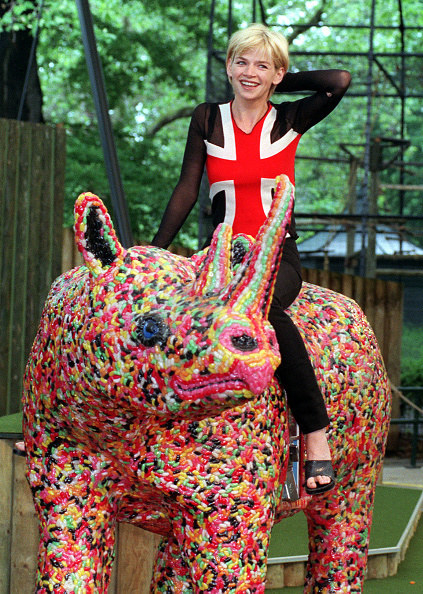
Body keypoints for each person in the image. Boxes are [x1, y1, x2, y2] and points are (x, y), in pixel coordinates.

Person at [155, 24, 351, 494]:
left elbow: (339, 80)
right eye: (241, 62)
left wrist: (278, 78)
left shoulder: (290, 120)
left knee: (261, 311)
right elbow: (187, 186)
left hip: (277, 256)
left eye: (262, 65)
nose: (249, 72)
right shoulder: (207, 118)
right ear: (227, 66)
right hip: (221, 256)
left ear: (277, 74)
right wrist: (157, 250)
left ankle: (315, 434)